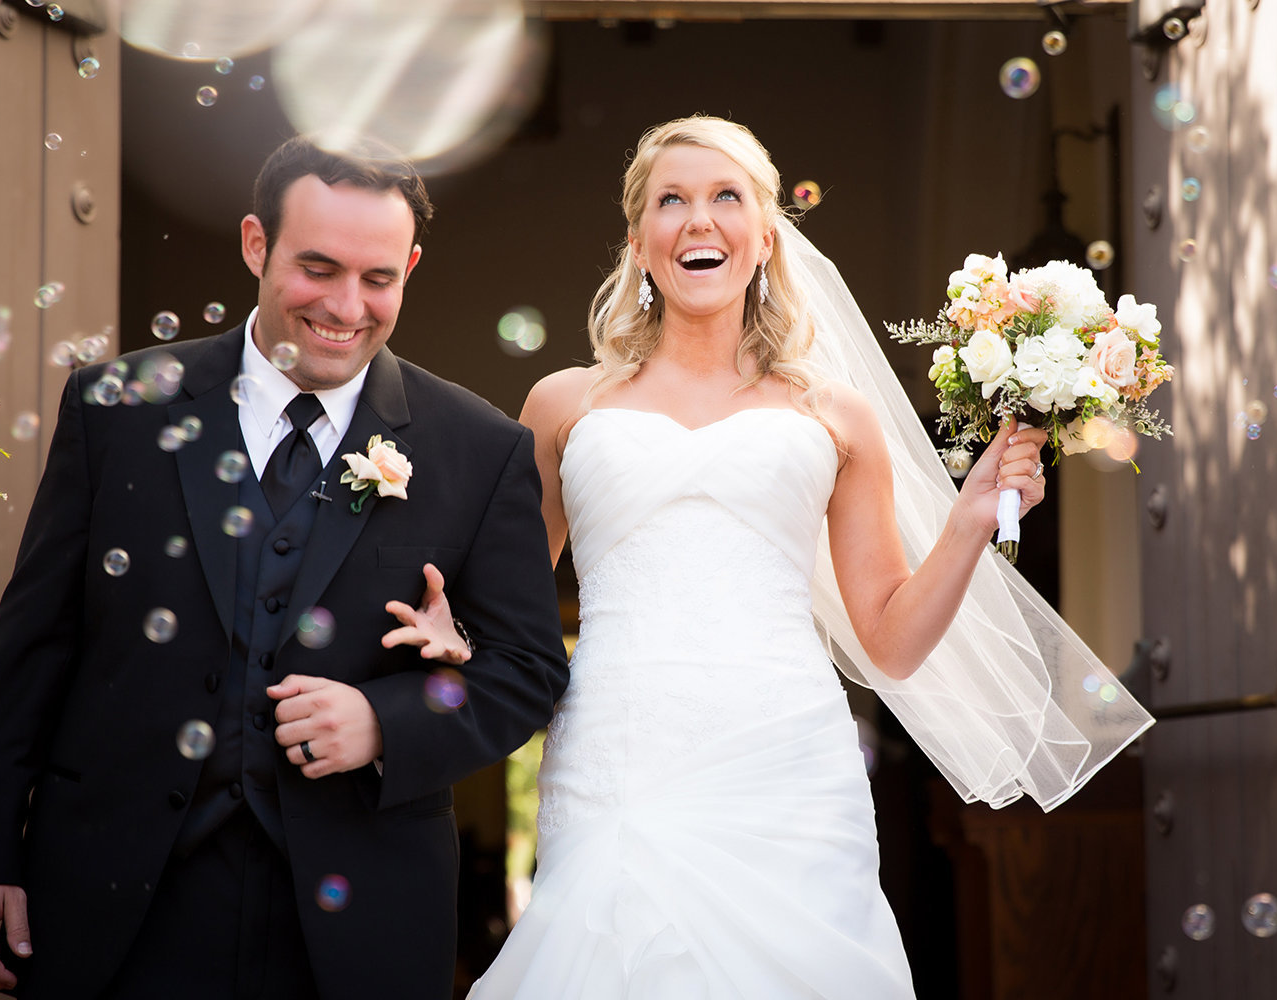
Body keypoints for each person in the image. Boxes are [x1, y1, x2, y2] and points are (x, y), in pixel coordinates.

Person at [466, 116, 1153, 997]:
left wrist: (969, 519)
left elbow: (889, 643)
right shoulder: (561, 404)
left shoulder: (834, 412)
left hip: (786, 756)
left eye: (726, 198)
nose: (699, 220)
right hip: (619, 752)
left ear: (764, 235)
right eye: (671, 201)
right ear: (639, 243)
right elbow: (509, 610)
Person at [0, 136, 570, 1000]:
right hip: (116, 897)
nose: (348, 306)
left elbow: (527, 670)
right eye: (318, 268)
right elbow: (32, 648)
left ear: (411, 265)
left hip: (357, 916)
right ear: (255, 244)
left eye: (379, 278)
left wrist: (386, 723)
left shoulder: (481, 450)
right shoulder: (117, 409)